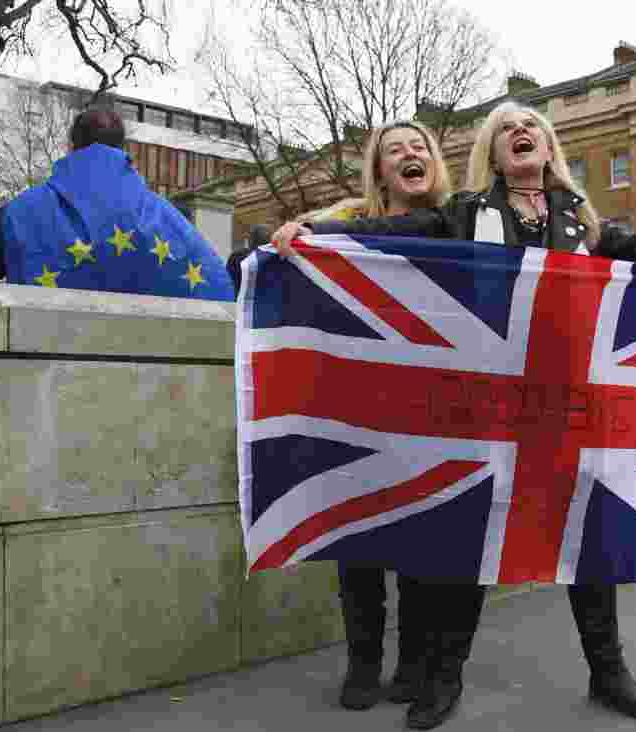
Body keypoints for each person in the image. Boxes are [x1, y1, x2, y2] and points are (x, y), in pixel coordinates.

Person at [270, 101, 636, 730]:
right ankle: (444, 679)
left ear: (549, 149)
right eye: (509, 128)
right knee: (476, 534)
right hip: (492, 411)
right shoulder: (463, 215)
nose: (523, 132)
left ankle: (608, 672)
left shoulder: (582, 220)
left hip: (568, 403)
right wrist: (312, 237)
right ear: (492, 150)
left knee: (587, 536)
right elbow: (388, 239)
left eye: (533, 127)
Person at [231, 120, 453, 713]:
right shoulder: (342, 226)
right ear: (379, 171)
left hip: (431, 404)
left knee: (417, 539)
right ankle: (362, 663)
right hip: (356, 399)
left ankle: (411, 664)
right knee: (357, 534)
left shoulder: (459, 223)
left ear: (434, 162)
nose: (410, 155)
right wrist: (291, 236)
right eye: (395, 151)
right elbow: (248, 264)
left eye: (420, 147)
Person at [0, 107, 233, 301]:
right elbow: (218, 286)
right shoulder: (167, 218)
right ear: (123, 151)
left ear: (71, 147)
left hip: (45, 370)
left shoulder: (23, 211)